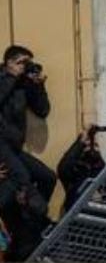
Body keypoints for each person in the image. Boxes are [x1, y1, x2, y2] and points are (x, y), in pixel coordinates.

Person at [0, 45, 54, 203]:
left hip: (14, 148)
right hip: (1, 146)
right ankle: (38, 220)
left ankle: (36, 223)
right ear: (9, 63)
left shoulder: (23, 84)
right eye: (22, 62)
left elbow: (42, 111)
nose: (25, 66)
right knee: (23, 179)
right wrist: (11, 77)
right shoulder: (5, 79)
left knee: (48, 178)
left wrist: (38, 86)